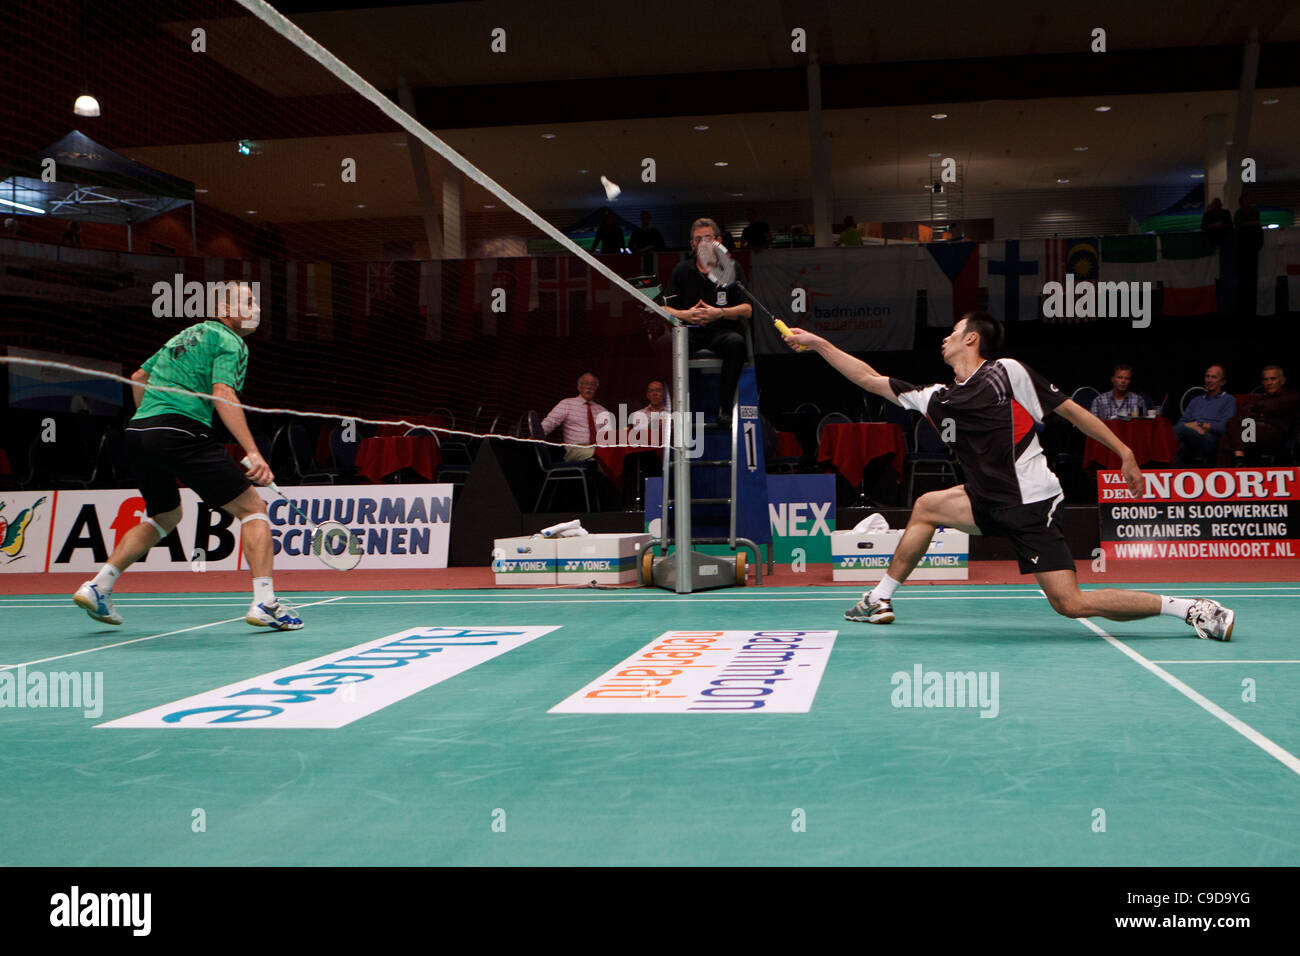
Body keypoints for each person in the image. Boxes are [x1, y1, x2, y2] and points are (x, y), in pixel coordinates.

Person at [780, 311, 1235, 640]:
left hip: (1028, 504)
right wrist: (818, 343)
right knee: (925, 507)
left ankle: (1191, 608)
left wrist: (1125, 451)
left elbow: (1072, 412)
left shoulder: (1006, 372)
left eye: (954, 332)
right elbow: (869, 378)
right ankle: (879, 598)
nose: (945, 338)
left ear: (972, 339)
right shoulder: (936, 397)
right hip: (985, 499)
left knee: (1070, 604)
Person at [73, 283, 303, 630]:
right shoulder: (230, 340)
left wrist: (152, 423)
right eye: (250, 301)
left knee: (165, 515)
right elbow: (223, 394)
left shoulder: (183, 336)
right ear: (226, 310)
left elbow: (138, 377)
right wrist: (254, 452)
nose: (257, 308)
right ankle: (265, 603)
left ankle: (98, 586)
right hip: (182, 430)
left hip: (136, 433)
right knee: (253, 508)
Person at [662, 218, 752, 425]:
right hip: (689, 332)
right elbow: (664, 308)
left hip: (720, 332)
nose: (703, 243)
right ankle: (677, 407)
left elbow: (747, 309)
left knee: (736, 343)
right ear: (692, 244)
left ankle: (725, 407)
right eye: (698, 239)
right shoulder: (681, 271)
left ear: (718, 241)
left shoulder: (732, 268)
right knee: (664, 344)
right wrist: (686, 315)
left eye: (708, 238)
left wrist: (718, 313)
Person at [1219, 365, 1299, 464]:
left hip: (1275, 436)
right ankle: (1228, 472)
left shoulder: (1290, 396)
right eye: (1266, 380)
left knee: (1233, 435)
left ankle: (1239, 460)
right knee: (1229, 430)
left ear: (1282, 381)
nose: (1269, 383)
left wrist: (1254, 412)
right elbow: (1243, 412)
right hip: (1252, 431)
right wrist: (1260, 414)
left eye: (1273, 379)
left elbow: (1272, 407)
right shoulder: (1259, 399)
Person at [540, 371, 611, 461]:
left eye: (592, 385)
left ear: (596, 388)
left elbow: (610, 435)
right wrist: (535, 437)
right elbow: (549, 423)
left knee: (618, 457)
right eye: (585, 383)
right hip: (575, 449)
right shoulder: (567, 404)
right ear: (579, 387)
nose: (589, 387)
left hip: (599, 449)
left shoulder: (602, 411)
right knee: (601, 458)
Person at [1174, 364, 1235, 465]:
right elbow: (1182, 422)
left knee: (1180, 431)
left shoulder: (1228, 400)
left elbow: (1225, 427)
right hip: (1192, 436)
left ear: (1222, 382)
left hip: (1212, 439)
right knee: (1179, 440)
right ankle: (1171, 474)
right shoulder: (1196, 400)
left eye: (1214, 377)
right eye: (1207, 376)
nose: (1209, 380)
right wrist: (1193, 427)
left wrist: (1200, 425)